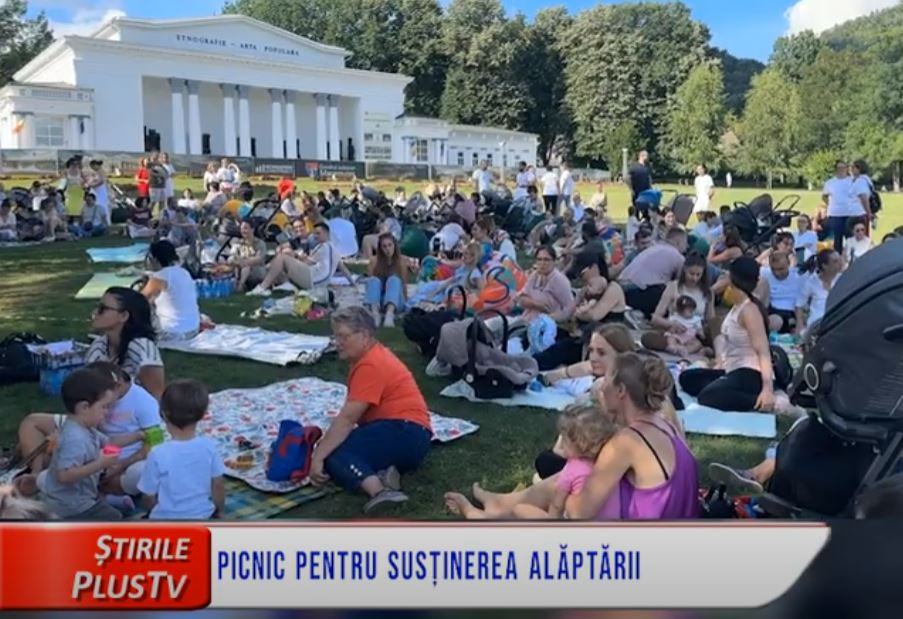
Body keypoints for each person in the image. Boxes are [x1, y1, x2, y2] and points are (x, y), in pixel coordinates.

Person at [446, 353, 698, 520]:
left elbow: (579, 513)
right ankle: (500, 503)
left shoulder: (627, 442)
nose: (601, 384)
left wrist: (564, 494)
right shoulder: (664, 425)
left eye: (607, 379)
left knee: (551, 494)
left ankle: (485, 517)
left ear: (621, 391)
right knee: (577, 471)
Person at [310, 307, 433, 514]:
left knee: (335, 454)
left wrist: (318, 457)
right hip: (413, 435)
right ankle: (385, 473)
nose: (337, 342)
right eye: (335, 336)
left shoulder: (370, 365)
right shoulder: (373, 356)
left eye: (343, 336)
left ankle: (379, 491)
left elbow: (348, 418)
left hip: (404, 431)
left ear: (364, 336)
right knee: (341, 445)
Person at [451, 404, 621, 520]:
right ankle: (496, 504)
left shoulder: (573, 469)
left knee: (521, 510)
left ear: (578, 444)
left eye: (565, 441)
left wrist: (551, 526)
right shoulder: (606, 464)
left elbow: (557, 503)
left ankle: (482, 517)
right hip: (607, 531)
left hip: (576, 535)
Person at [16, 369, 127, 520]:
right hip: (70, 506)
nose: (107, 412)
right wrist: (100, 463)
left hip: (79, 496)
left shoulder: (86, 428)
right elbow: (64, 475)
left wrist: (137, 437)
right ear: (84, 407)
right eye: (104, 407)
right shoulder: (75, 438)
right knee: (116, 520)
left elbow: (109, 442)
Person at [679, 257, 775, 412]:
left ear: (731, 277)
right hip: (732, 368)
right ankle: (726, 387)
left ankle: (762, 401)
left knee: (708, 396)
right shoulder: (737, 304)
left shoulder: (750, 310)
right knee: (687, 378)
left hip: (750, 373)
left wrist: (767, 389)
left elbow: (763, 351)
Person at [137, 380, 225, 519]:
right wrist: (219, 511)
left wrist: (154, 512)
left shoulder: (157, 453)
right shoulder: (209, 447)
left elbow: (148, 495)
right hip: (202, 517)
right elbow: (218, 485)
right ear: (203, 414)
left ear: (164, 415)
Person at [85, 287, 165, 400]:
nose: (94, 313)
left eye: (102, 309)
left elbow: (156, 397)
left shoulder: (142, 349)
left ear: (123, 316)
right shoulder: (99, 345)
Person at [248, 222, 351, 295]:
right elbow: (343, 269)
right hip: (319, 281)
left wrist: (297, 256)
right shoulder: (333, 249)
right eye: (315, 233)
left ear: (327, 233)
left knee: (282, 258)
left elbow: (307, 263)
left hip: (313, 279)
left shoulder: (323, 247)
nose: (315, 236)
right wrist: (353, 283)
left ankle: (262, 287)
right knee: (282, 259)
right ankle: (284, 284)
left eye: (318, 233)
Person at [645, 252, 715, 345]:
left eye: (698, 275)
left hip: (695, 335)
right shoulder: (673, 287)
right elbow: (656, 318)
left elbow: (711, 320)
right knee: (648, 339)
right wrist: (671, 324)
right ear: (685, 270)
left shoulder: (707, 292)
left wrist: (701, 330)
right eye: (691, 273)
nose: (694, 278)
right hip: (674, 332)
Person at [618, 227, 687, 318]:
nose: (686, 247)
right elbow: (683, 283)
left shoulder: (653, 248)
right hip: (638, 292)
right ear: (679, 242)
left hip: (621, 289)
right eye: (686, 243)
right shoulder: (678, 257)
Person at [142, 240, 201, 340]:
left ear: (154, 259)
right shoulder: (184, 272)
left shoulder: (161, 276)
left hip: (173, 333)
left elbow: (139, 300)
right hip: (193, 328)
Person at [365, 233, 409, 328]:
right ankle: (375, 313)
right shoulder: (374, 261)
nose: (388, 249)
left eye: (390, 245)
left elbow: (404, 284)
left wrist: (406, 300)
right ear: (380, 249)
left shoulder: (401, 261)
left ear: (394, 246)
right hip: (379, 299)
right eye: (384, 246)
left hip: (396, 300)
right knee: (374, 280)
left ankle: (390, 315)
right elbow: (370, 286)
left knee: (394, 279)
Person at [795, 249, 843, 337]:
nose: (840, 264)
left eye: (840, 260)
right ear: (825, 266)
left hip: (837, 321)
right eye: (835, 261)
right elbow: (799, 305)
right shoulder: (811, 282)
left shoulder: (843, 279)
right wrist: (799, 324)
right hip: (816, 325)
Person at [571, 251, 627, 326]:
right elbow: (572, 306)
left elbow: (595, 315)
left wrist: (578, 312)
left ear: (594, 268)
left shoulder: (613, 288)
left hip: (608, 333)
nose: (580, 277)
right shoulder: (585, 289)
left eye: (582, 274)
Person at [757, 251, 803, 334]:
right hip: (770, 309)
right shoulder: (765, 273)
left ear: (788, 264)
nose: (777, 273)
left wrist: (800, 322)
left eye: (781, 269)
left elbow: (800, 303)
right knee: (762, 282)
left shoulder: (798, 277)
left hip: (790, 312)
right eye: (773, 269)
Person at [822, 160, 861, 256]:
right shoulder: (830, 183)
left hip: (850, 214)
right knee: (837, 239)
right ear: (835, 170)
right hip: (835, 214)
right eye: (839, 168)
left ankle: (852, 259)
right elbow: (824, 196)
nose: (841, 170)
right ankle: (837, 260)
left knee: (851, 239)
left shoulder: (852, 181)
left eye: (843, 168)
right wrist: (830, 204)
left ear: (846, 169)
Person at [850, 159, 875, 234]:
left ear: (859, 169)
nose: (851, 170)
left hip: (858, 213)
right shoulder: (866, 180)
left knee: (859, 237)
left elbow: (863, 198)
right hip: (861, 213)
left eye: (853, 167)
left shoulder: (860, 181)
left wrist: (869, 213)